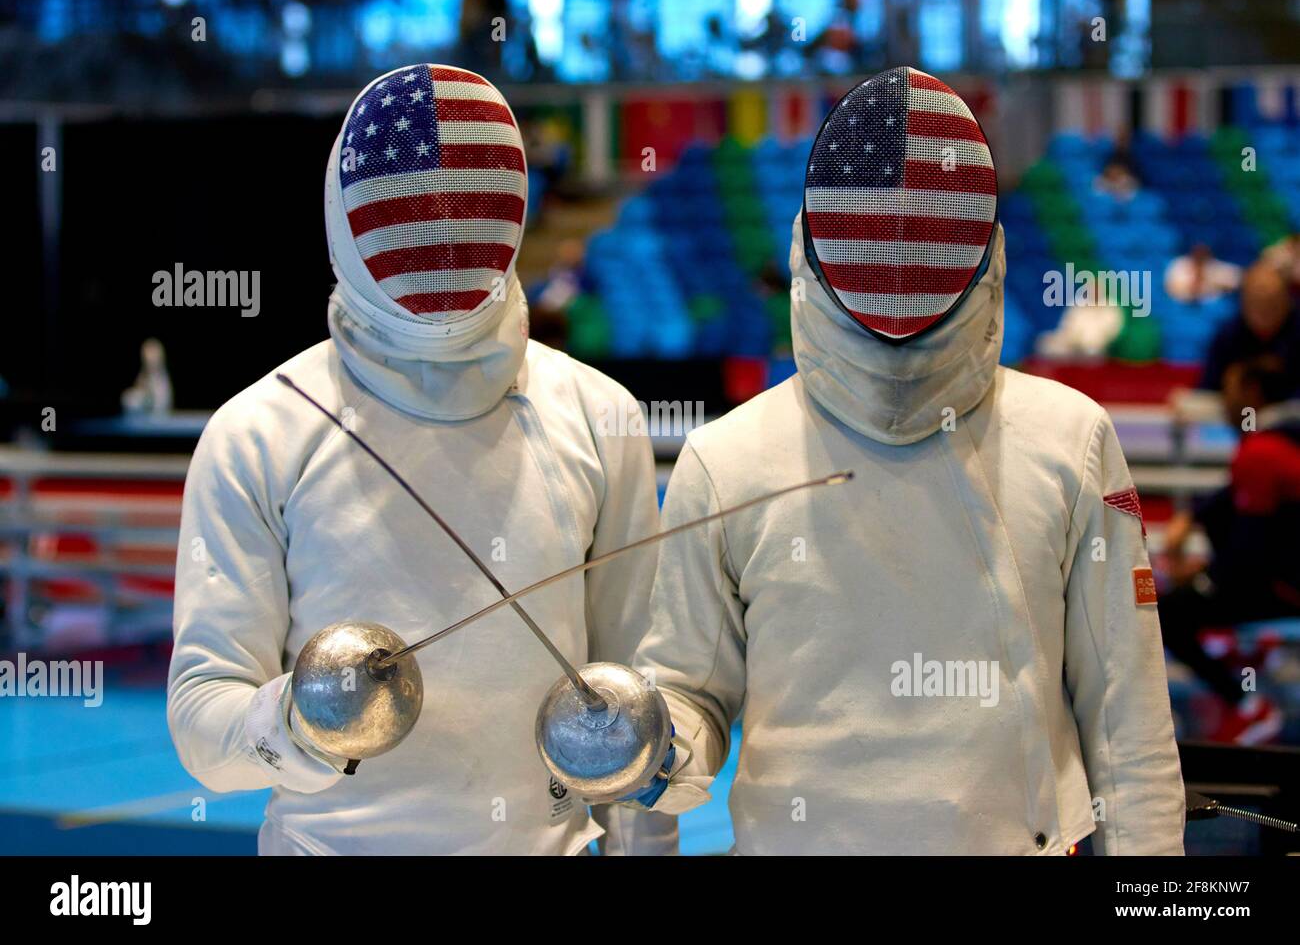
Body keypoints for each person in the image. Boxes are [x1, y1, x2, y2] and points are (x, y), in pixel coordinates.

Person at [610, 67, 1185, 854]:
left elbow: (1127, 716)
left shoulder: (1069, 438)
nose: (900, 251)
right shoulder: (727, 460)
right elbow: (689, 697)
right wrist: (650, 749)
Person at [167, 65, 672, 855]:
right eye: (408, 208)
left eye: (466, 203)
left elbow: (634, 709)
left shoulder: (597, 416)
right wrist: (303, 720)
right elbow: (204, 720)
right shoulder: (260, 433)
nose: (438, 230)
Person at [1160, 354, 1297, 743]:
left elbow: (1247, 559)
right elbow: (1228, 501)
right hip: (1279, 579)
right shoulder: (1279, 442)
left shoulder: (1261, 453)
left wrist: (1199, 575)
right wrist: (1191, 519)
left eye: (1229, 391)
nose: (1224, 402)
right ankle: (1243, 658)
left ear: (1252, 393)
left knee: (1167, 614)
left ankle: (1251, 708)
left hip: (1282, 587)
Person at [1200, 262, 1300, 392]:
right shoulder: (1229, 334)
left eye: (1271, 302)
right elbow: (1208, 389)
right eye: (1256, 302)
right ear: (1243, 302)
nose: (1264, 310)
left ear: (1287, 300)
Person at [1164, 243, 1242, 304]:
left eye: (1203, 256)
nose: (1200, 259)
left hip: (1212, 306)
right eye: (1198, 256)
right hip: (1183, 305)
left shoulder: (1214, 267)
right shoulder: (1179, 265)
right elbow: (1171, 288)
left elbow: (1237, 279)